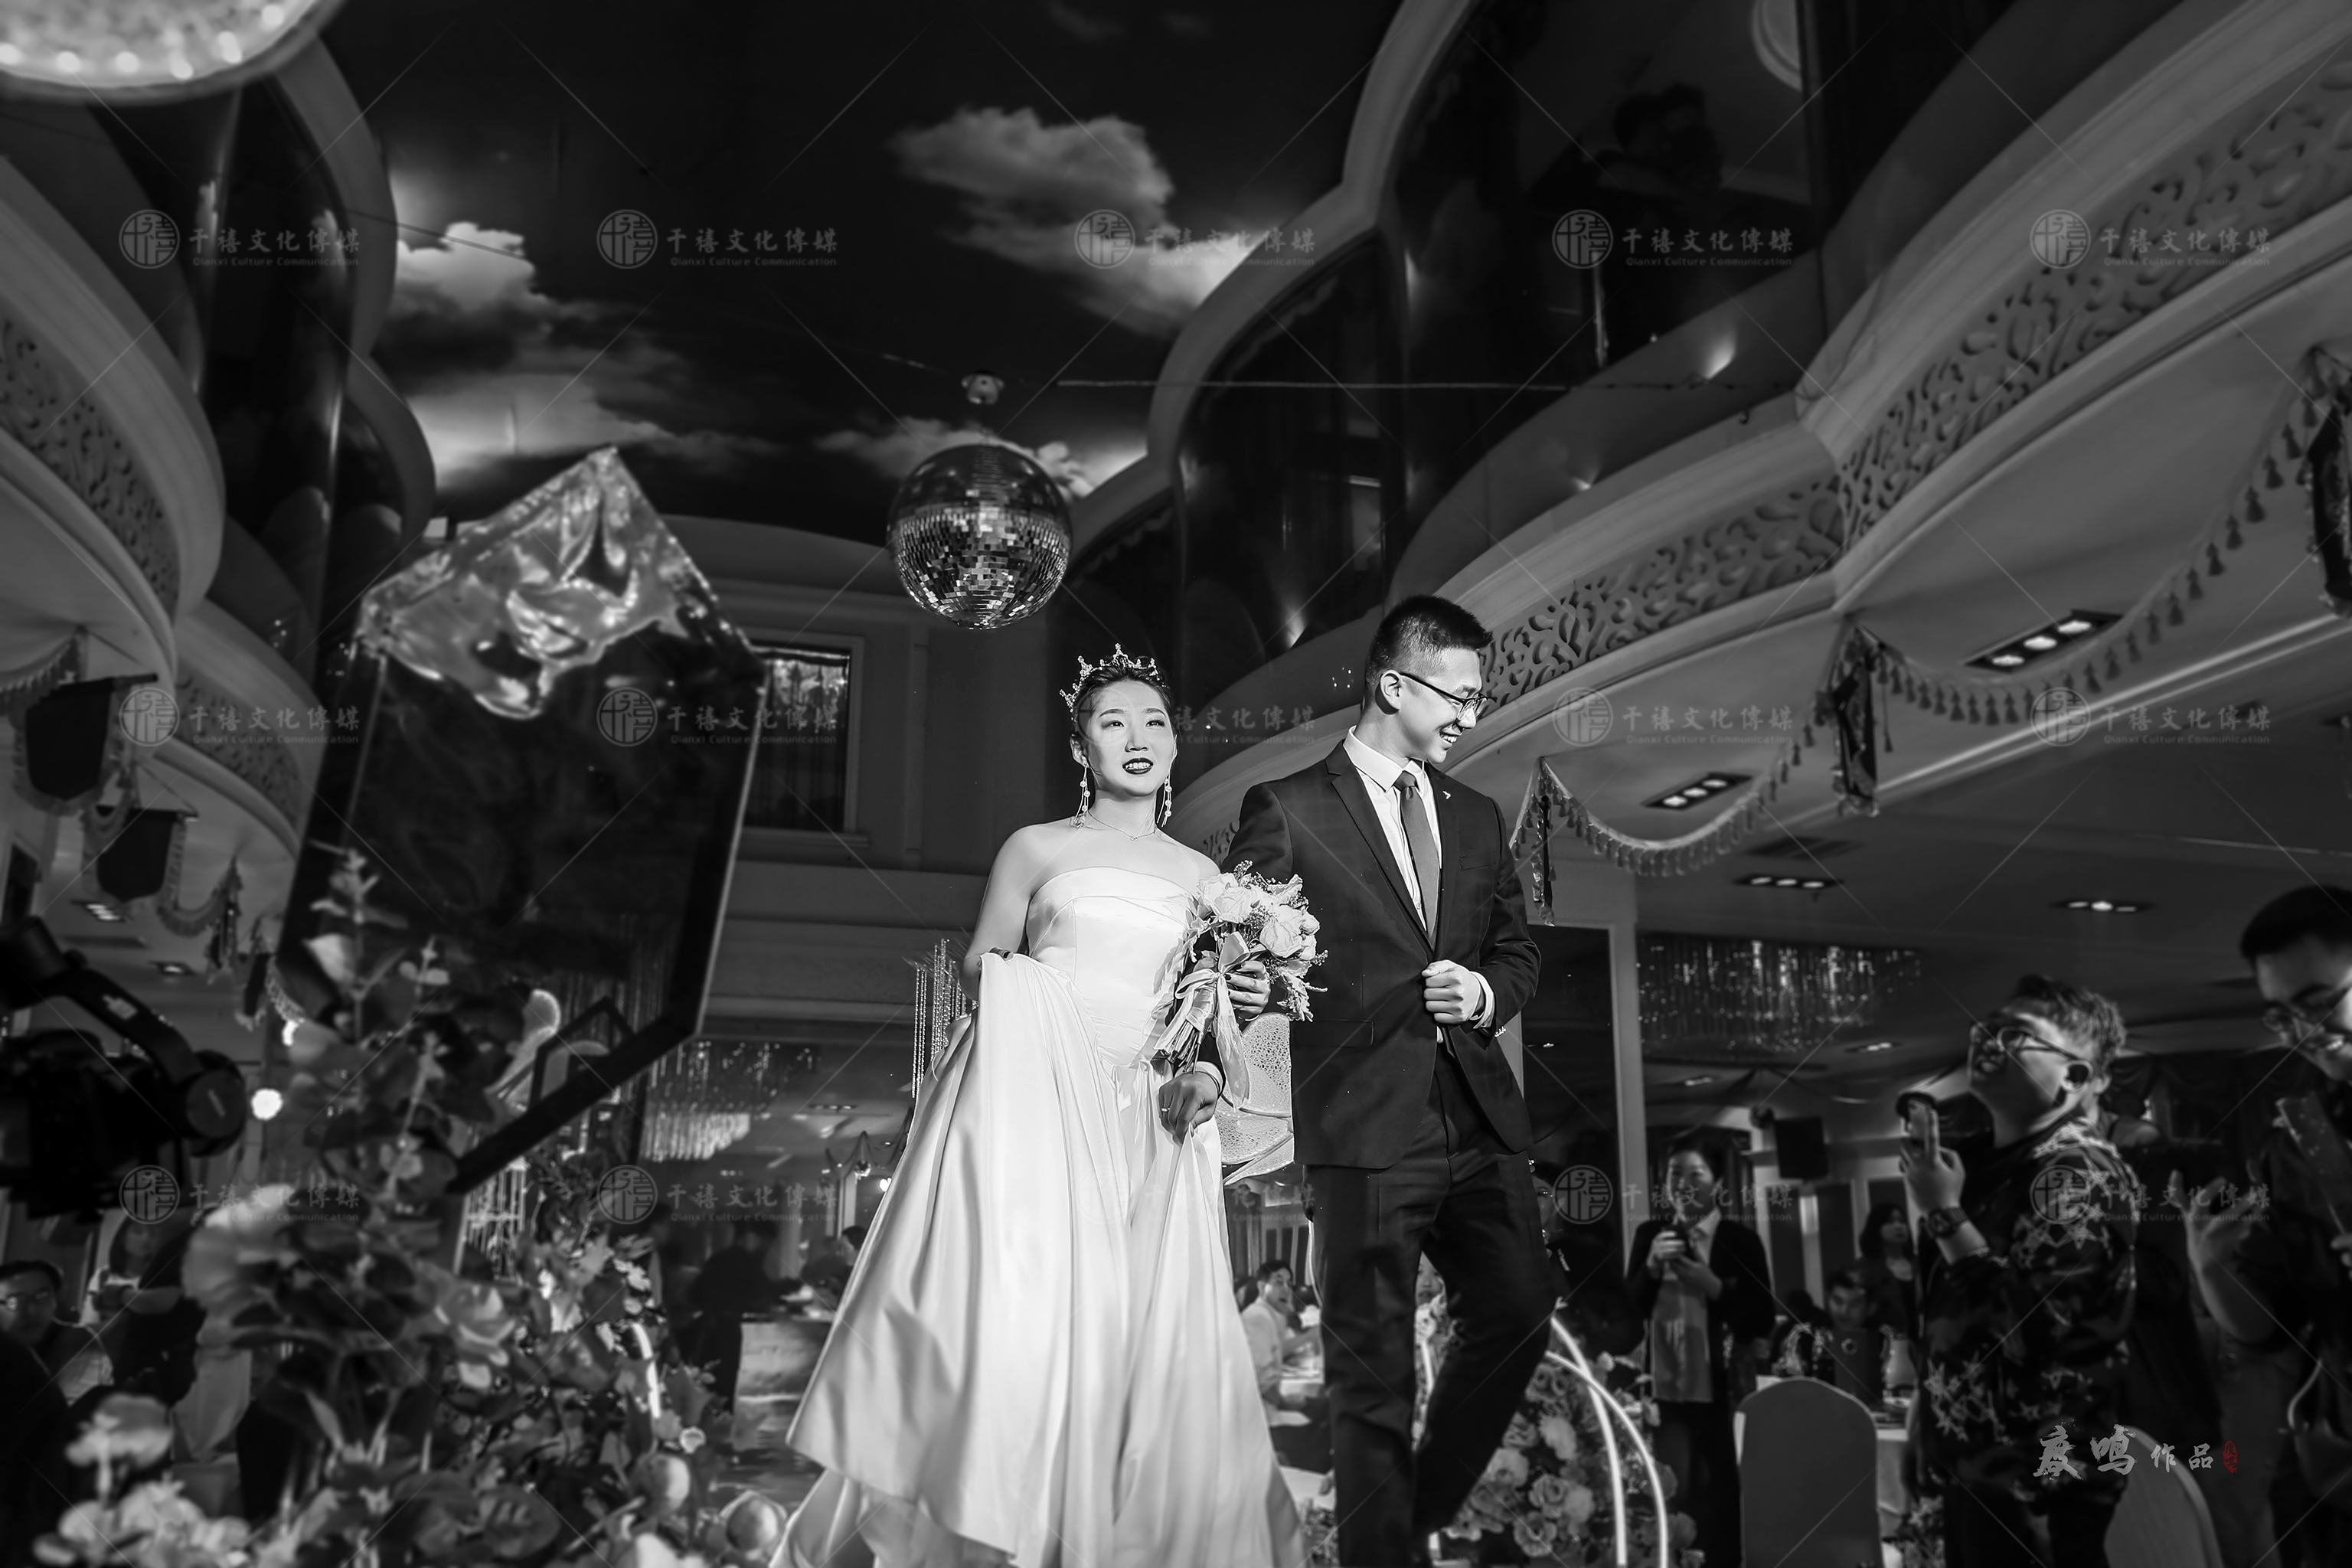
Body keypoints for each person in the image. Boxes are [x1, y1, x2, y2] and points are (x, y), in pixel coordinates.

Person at [784, 648, 1302, 1568]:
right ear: (1079, 745)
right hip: (1043, 1093)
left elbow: (1211, 1012)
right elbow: (982, 962)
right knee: (1032, 1300)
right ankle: (1003, 1508)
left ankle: (1104, 1534)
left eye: (1154, 720)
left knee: (1141, 1327)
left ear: (1174, 742)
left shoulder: (1206, 876)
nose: (1137, 736)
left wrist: (1227, 1036)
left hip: (1151, 1111)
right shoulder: (1034, 847)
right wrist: (1043, 999)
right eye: (1113, 720)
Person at [1218, 596, 1550, 1568]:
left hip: (1479, 1120)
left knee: (1519, 1312)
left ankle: (1403, 1526)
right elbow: (1241, 945)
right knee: (1372, 1383)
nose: (1470, 717)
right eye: (1459, 695)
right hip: (1362, 1131)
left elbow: (1517, 952)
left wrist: (1483, 990)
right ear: (1394, 685)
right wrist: (1247, 979)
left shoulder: (1477, 816)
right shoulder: (1287, 806)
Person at [1905, 975, 2138, 1568]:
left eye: (2017, 1036)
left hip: (2045, 1483)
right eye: (1987, 1028)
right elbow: (1956, 1318)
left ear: (2075, 1077)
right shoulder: (1980, 1165)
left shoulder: (2076, 1172)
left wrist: (1944, 1215)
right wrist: (1927, 1414)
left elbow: (2033, 1328)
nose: (1989, 1041)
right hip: (1979, 1468)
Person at [2183, 887, 2352, 1563]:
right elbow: (2266, 1332)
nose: (2304, 1032)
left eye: (2320, 1002)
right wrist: (2212, 1268)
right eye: (2281, 1016)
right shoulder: (2299, 1140)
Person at [1628, 1132, 1776, 1568]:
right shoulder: (1651, 1234)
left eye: (1696, 1174)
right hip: (1664, 1393)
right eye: (1675, 1173)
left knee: (1721, 1493)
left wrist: (1713, 1288)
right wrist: (1651, 1267)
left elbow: (1761, 1320)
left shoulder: (1739, 1241)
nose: (1684, 1184)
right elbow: (1629, 1310)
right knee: (1671, 1490)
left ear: (1718, 1184)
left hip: (1722, 1392)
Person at [1243, 1259, 1329, 1471]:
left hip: (1271, 1403)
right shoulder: (1257, 1317)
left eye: (1289, 1283)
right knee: (1330, 1411)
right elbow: (1262, 1378)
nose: (1286, 1289)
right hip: (1264, 1416)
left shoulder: (1271, 1316)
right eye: (1278, 1282)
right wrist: (1285, 1402)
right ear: (1262, 1286)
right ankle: (1308, 1467)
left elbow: (1277, 1352)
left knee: (1328, 1407)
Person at [693, 1221, 782, 1396]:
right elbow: (765, 1291)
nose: (762, 1246)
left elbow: (695, 1294)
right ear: (749, 1237)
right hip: (731, 1330)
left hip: (709, 1330)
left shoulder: (716, 1259)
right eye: (760, 1240)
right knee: (727, 1381)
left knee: (707, 1381)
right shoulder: (748, 1262)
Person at [0, 1260, 109, 1402]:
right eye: (15, 1301)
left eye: (43, 1297)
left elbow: (66, 1410)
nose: (32, 1311)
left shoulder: (77, 1342)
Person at [1776, 1268, 1885, 1407]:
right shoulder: (1804, 1335)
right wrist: (1788, 1367)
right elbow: (1783, 1377)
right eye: (1838, 1301)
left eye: (1854, 1304)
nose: (1844, 1311)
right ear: (1827, 1298)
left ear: (1871, 1308)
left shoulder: (1884, 1339)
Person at [1854, 1202, 1919, 1341]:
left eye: (1902, 1221)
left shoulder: (1920, 1264)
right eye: (1890, 1222)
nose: (1898, 1226)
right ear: (1876, 1227)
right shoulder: (1864, 1268)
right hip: (1884, 1343)